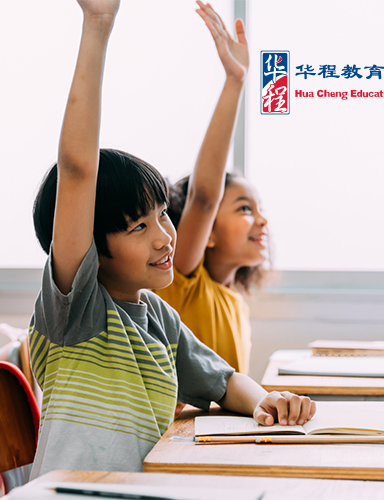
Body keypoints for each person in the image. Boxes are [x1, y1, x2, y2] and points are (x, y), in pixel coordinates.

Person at [28, 0, 314, 477]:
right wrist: (98, 24)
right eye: (138, 227)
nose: (165, 237)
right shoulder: (75, 313)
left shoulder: (159, 317)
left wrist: (268, 401)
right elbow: (77, 171)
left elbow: (225, 382)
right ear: (92, 251)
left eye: (162, 216)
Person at [153, 2, 264, 375]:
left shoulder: (237, 304)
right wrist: (235, 81)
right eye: (245, 209)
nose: (262, 221)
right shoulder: (184, 282)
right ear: (208, 233)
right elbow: (204, 195)